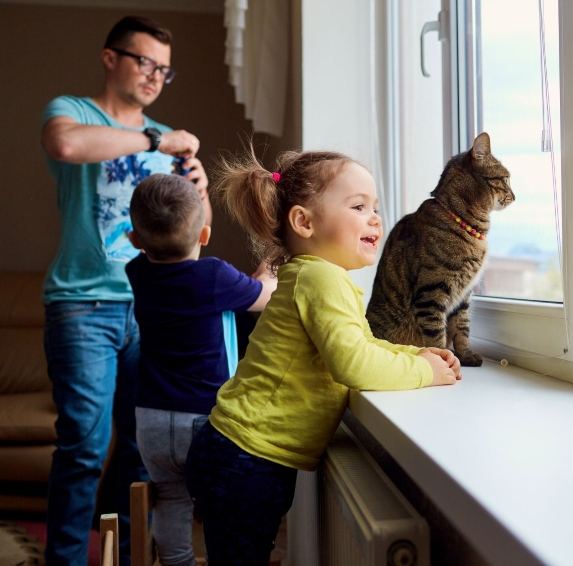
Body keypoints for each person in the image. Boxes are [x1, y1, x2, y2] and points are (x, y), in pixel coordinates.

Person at [184, 148, 462, 564]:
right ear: (304, 222)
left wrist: (413, 352)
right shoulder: (320, 278)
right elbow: (354, 363)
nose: (374, 218)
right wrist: (423, 371)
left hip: (245, 453)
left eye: (375, 207)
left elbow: (361, 344)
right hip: (245, 457)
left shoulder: (319, 276)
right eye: (358, 206)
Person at [40, 15, 211, 565]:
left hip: (150, 307)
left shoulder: (168, 142)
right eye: (145, 62)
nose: (156, 76)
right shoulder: (74, 113)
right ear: (111, 58)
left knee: (146, 451)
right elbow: (66, 145)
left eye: (165, 69)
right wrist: (156, 139)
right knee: (84, 449)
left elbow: (195, 234)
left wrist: (201, 191)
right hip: (82, 304)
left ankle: (135, 556)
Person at [125, 173, 276, 566]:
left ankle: (178, 563)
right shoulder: (214, 276)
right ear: (204, 234)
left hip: (151, 418)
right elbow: (262, 297)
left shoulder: (137, 273)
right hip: (204, 418)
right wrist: (268, 270)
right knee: (217, 499)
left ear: (135, 241)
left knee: (171, 497)